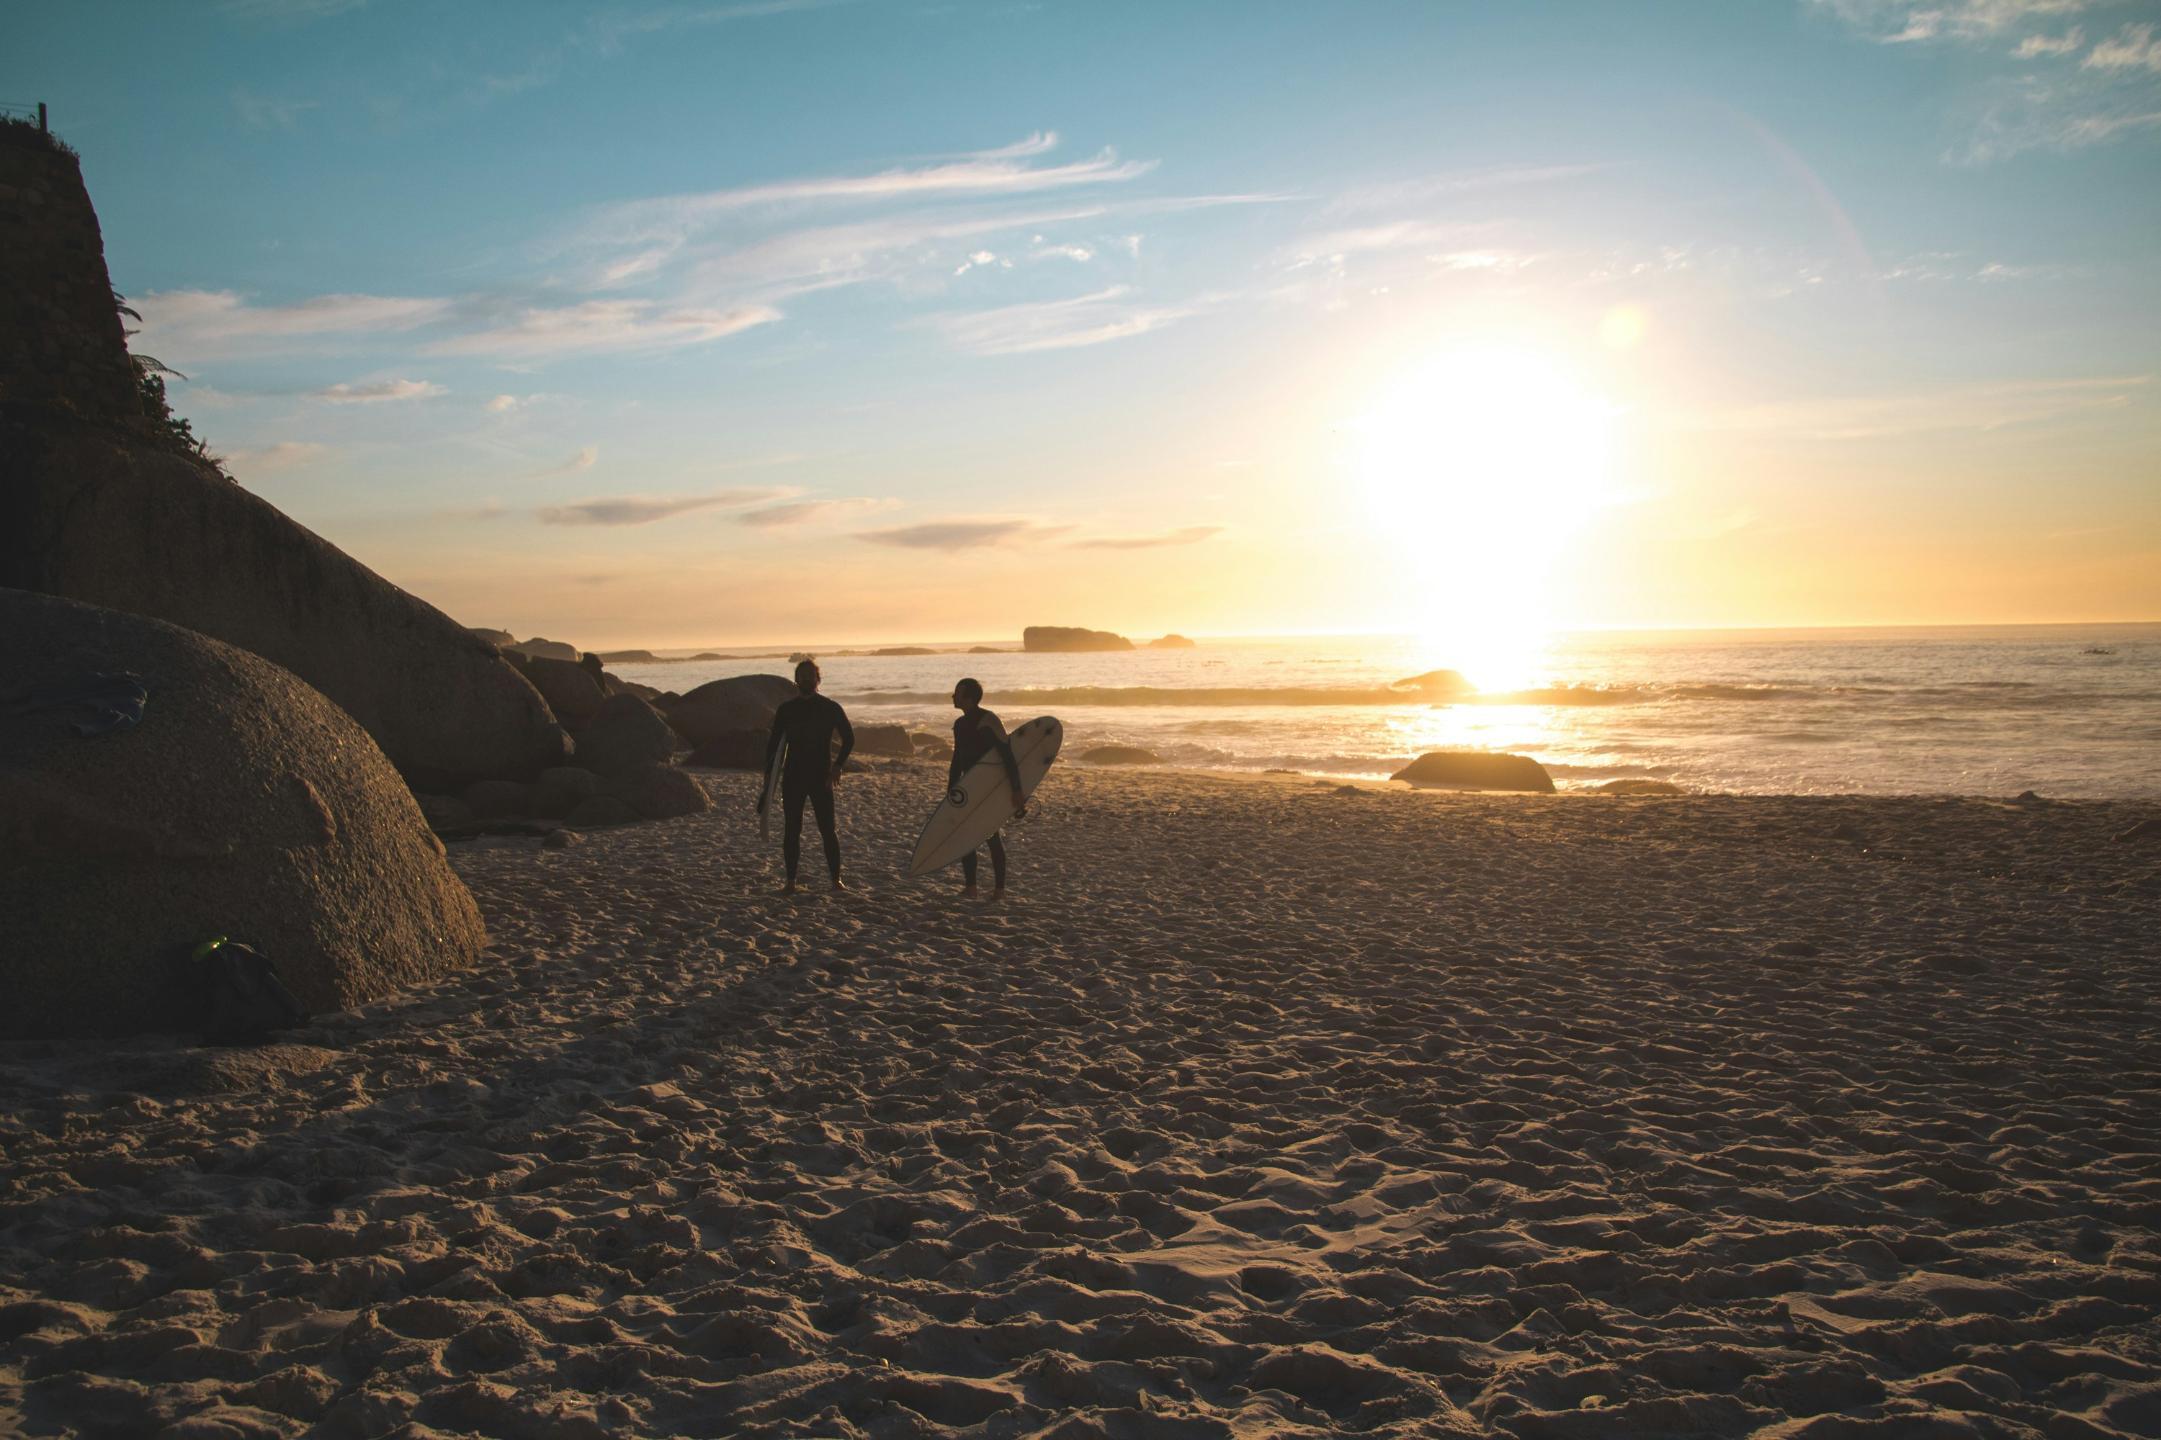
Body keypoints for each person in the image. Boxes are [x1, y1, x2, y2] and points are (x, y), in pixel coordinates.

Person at [762, 658, 854, 893]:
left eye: (810, 675)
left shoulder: (830, 707)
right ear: (796, 680)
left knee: (827, 829)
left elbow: (849, 738)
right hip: (793, 777)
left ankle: (836, 880)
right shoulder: (786, 710)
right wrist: (767, 787)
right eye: (802, 675)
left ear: (818, 679)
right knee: (792, 829)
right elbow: (773, 749)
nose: (806, 679)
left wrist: (837, 766)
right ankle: (791, 882)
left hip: (821, 777)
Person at [948, 677, 1026, 896]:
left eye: (958, 692)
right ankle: (971, 887)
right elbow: (957, 758)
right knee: (966, 835)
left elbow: (1007, 756)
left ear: (969, 698)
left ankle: (999, 889)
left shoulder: (988, 721)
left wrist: (1016, 789)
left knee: (992, 836)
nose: (953, 696)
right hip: (968, 786)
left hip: (988, 787)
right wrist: (951, 787)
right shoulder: (960, 724)